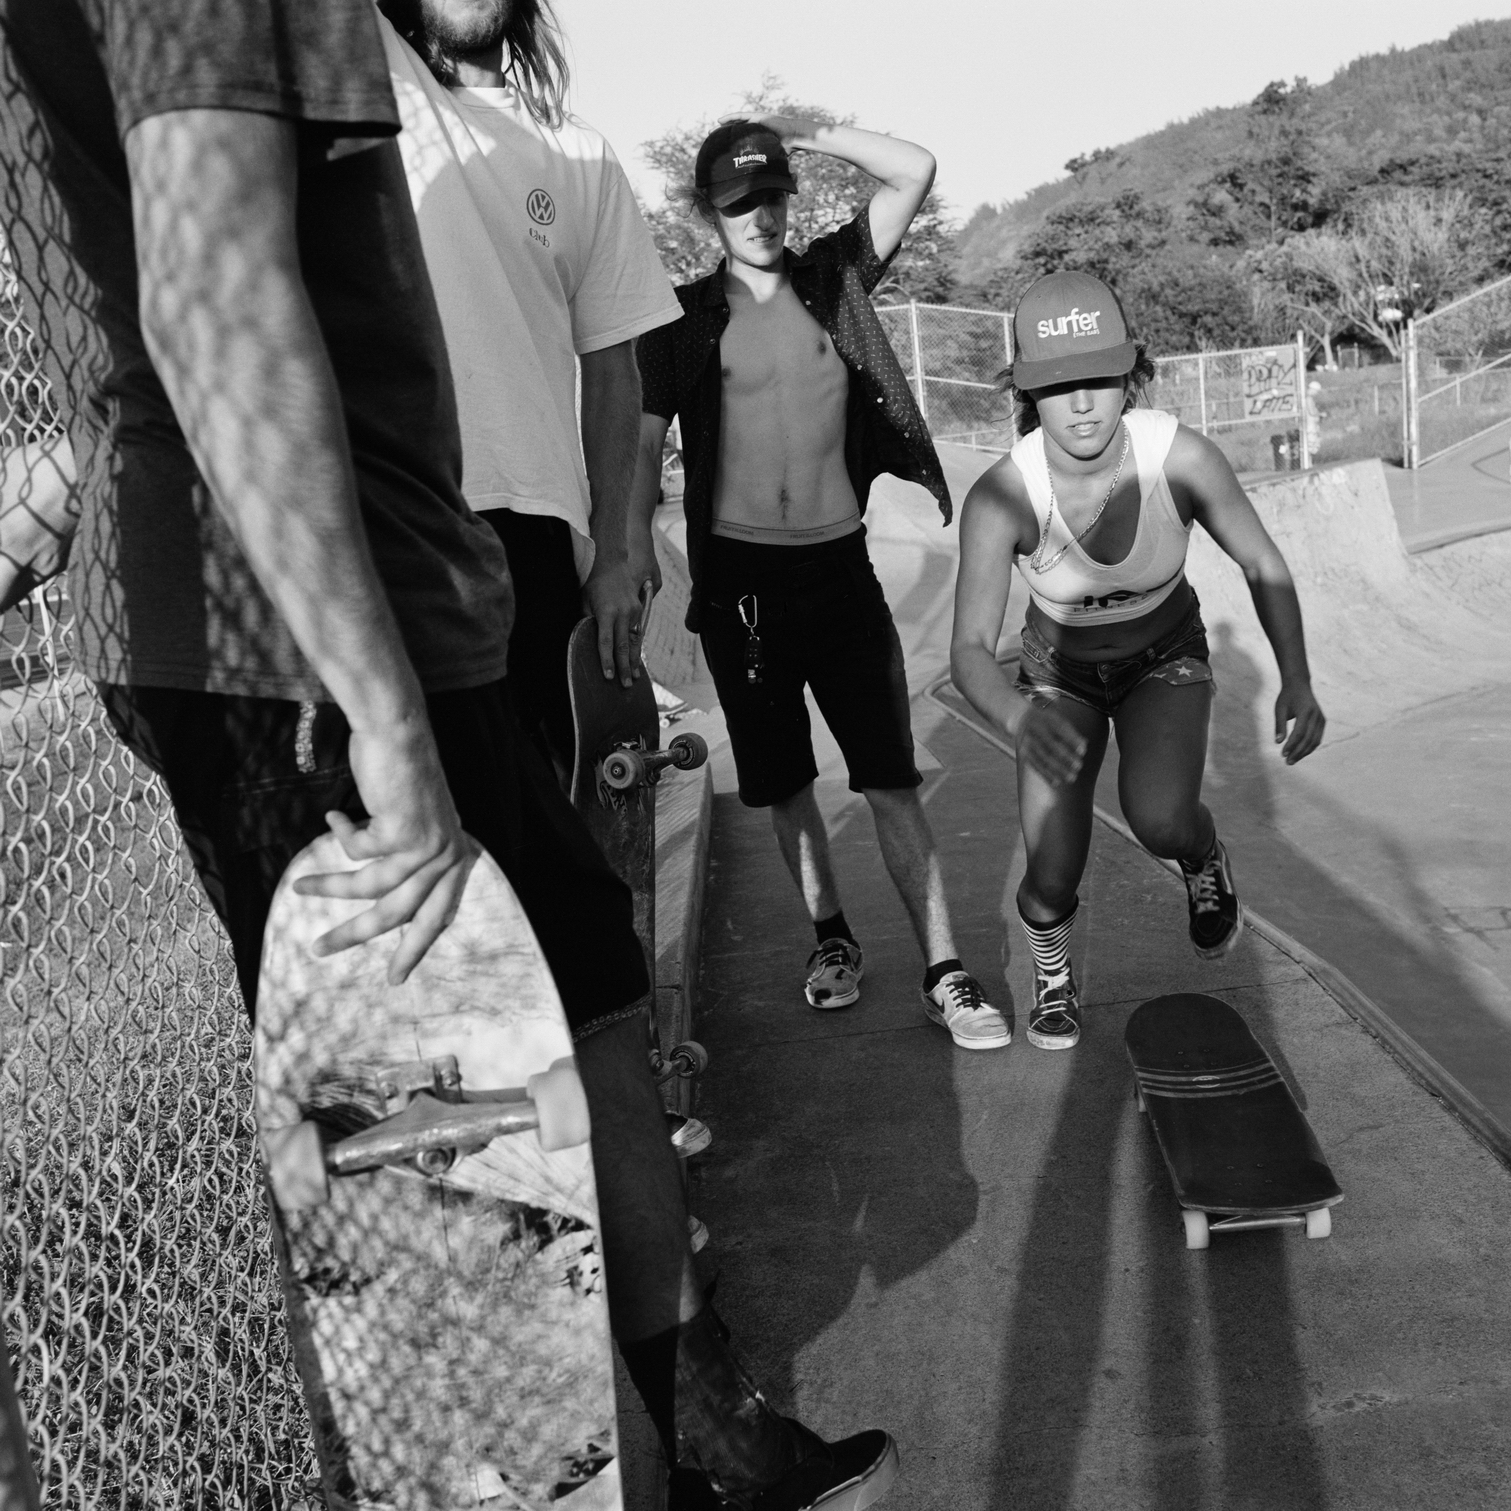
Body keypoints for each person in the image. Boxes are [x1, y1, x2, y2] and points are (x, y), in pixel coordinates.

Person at [0, 7, 895, 1508]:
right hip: (301, 633)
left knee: (583, 1000)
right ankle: (580, 1465)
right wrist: (380, 707)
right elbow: (215, 305)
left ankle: (706, 1423)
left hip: (379, 608)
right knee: (430, 1126)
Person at [633, 117, 1009, 1051]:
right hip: (742, 587)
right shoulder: (679, 323)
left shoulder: (832, 278)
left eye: (769, 195)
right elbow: (641, 451)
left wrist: (815, 132)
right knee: (785, 784)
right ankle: (830, 941)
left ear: (789, 195)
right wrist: (631, 548)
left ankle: (944, 972)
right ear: (707, 215)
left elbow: (915, 167)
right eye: (734, 204)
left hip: (839, 568)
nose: (756, 217)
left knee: (888, 778)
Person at [950, 271, 1326, 1050]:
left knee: (1157, 818)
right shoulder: (1002, 495)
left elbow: (1262, 562)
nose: (1082, 403)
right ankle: (1051, 974)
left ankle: (1200, 852)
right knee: (1051, 872)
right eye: (1058, 386)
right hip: (1057, 676)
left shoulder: (1178, 458)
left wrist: (1295, 676)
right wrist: (1019, 714)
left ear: (1130, 375)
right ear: (1026, 392)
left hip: (1165, 658)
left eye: (1100, 379)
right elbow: (965, 650)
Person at [374, 0, 682, 781]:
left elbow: (614, 370)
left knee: (549, 813)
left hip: (540, 541)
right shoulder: (381, 95)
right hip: (402, 517)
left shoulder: (579, 154)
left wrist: (613, 554)